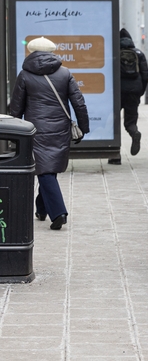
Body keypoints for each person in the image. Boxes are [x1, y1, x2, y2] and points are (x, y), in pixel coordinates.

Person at [10, 36, 89, 230]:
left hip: (35, 129)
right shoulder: (65, 73)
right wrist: (83, 128)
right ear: (52, 52)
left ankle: (58, 212)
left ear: (31, 52)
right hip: (60, 128)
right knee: (47, 169)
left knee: (44, 169)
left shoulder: (24, 75)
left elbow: (16, 108)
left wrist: (14, 134)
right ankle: (41, 209)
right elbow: (78, 102)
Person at [109, 28, 148, 164]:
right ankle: (134, 132)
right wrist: (140, 91)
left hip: (117, 92)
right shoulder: (139, 53)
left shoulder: (114, 53)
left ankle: (115, 156)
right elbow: (145, 75)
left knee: (114, 123)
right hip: (134, 92)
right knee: (130, 120)